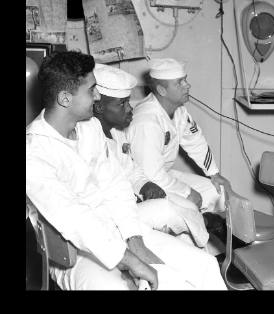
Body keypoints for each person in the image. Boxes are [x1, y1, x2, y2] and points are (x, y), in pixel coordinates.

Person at [26, 51, 226, 290]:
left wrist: (135, 240)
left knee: (203, 266)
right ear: (65, 98)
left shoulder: (89, 128)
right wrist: (131, 260)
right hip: (75, 254)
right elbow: (74, 219)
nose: (98, 95)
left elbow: (116, 186)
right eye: (91, 90)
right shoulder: (34, 152)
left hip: (117, 230)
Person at [92, 63, 208, 248]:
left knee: (187, 212)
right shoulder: (88, 139)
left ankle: (205, 246)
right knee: (174, 210)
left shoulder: (116, 133)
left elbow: (130, 169)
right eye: (122, 104)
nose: (131, 108)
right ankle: (210, 230)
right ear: (98, 108)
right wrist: (135, 194)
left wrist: (145, 185)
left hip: (128, 202)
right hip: (107, 216)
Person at [125, 58, 231, 215]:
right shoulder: (147, 122)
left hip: (162, 175)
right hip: (144, 186)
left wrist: (214, 173)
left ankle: (207, 235)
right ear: (162, 90)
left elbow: (195, 141)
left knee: (218, 193)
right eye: (179, 83)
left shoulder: (179, 110)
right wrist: (186, 192)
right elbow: (150, 175)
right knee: (191, 204)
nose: (187, 85)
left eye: (185, 80)